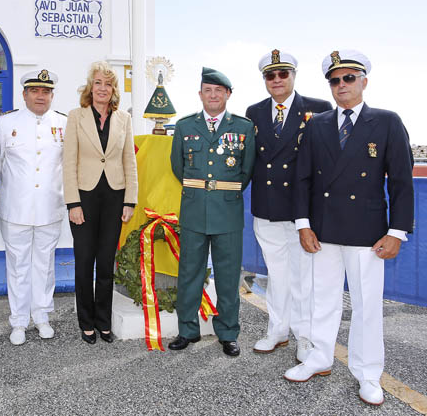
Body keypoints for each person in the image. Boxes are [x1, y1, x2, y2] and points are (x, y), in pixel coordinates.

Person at [284, 50, 414, 406]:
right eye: (335, 80)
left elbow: (401, 182)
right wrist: (303, 224)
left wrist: (397, 231)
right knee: (321, 300)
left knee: (366, 305)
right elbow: (303, 179)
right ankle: (319, 357)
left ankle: (368, 372)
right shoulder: (317, 124)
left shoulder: (387, 122)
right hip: (323, 229)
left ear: (363, 81)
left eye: (349, 78)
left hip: (368, 232)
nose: (341, 85)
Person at [246, 50, 332, 362]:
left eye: (283, 74)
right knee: (276, 275)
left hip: (302, 213)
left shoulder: (318, 109)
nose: (277, 80)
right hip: (267, 208)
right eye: (271, 75)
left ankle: (305, 338)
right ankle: (277, 330)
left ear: (293, 75)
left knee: (303, 279)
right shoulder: (253, 112)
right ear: (265, 80)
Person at [169, 67, 255, 356]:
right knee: (189, 272)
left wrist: (223, 190)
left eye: (219, 90)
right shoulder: (184, 126)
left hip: (228, 211)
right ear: (200, 94)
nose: (214, 95)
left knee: (228, 275)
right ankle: (187, 330)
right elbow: (178, 167)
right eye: (208, 90)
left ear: (228, 94)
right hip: (194, 208)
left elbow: (247, 170)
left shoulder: (243, 128)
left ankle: (228, 332)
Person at [62, 60, 138, 344]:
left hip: (115, 198)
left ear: (114, 89)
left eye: (108, 84)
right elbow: (68, 163)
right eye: (98, 83)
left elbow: (129, 162)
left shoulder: (124, 120)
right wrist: (73, 204)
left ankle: (104, 321)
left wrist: (130, 200)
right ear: (89, 87)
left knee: (106, 263)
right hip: (85, 197)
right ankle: (86, 322)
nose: (102, 88)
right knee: (84, 262)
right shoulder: (76, 116)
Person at [0, 69, 67, 345]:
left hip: (50, 207)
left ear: (52, 95)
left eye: (46, 91)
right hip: (15, 209)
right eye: (35, 91)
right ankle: (19, 321)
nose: (40, 96)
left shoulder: (64, 123)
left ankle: (42, 316)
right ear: (24, 94)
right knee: (18, 266)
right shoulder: (5, 123)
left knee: (45, 265)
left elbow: (67, 167)